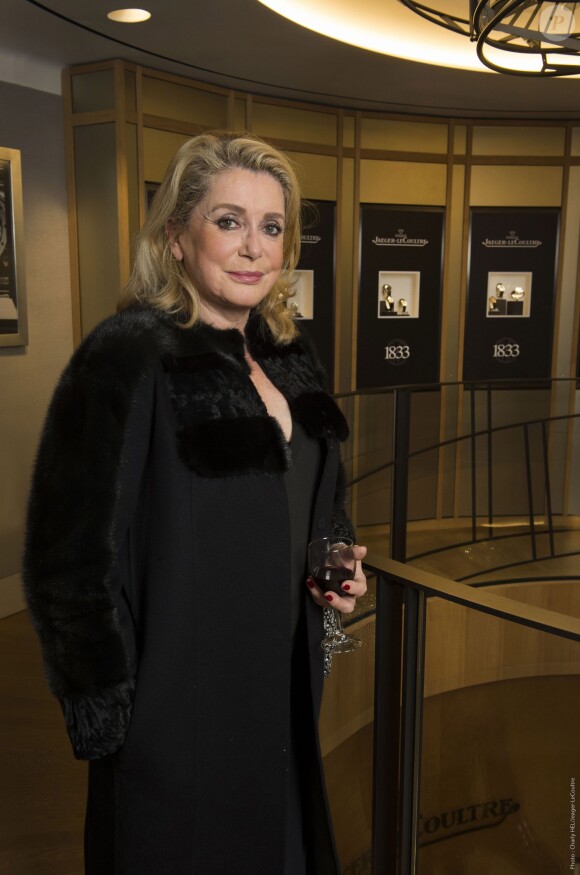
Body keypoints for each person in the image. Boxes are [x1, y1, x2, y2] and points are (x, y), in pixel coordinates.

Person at [23, 131, 367, 875]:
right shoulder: (127, 353)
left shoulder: (289, 356)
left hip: (279, 690)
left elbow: (317, 494)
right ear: (177, 237)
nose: (252, 246)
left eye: (271, 227)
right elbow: (66, 554)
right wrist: (113, 718)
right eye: (228, 220)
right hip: (178, 713)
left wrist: (338, 558)